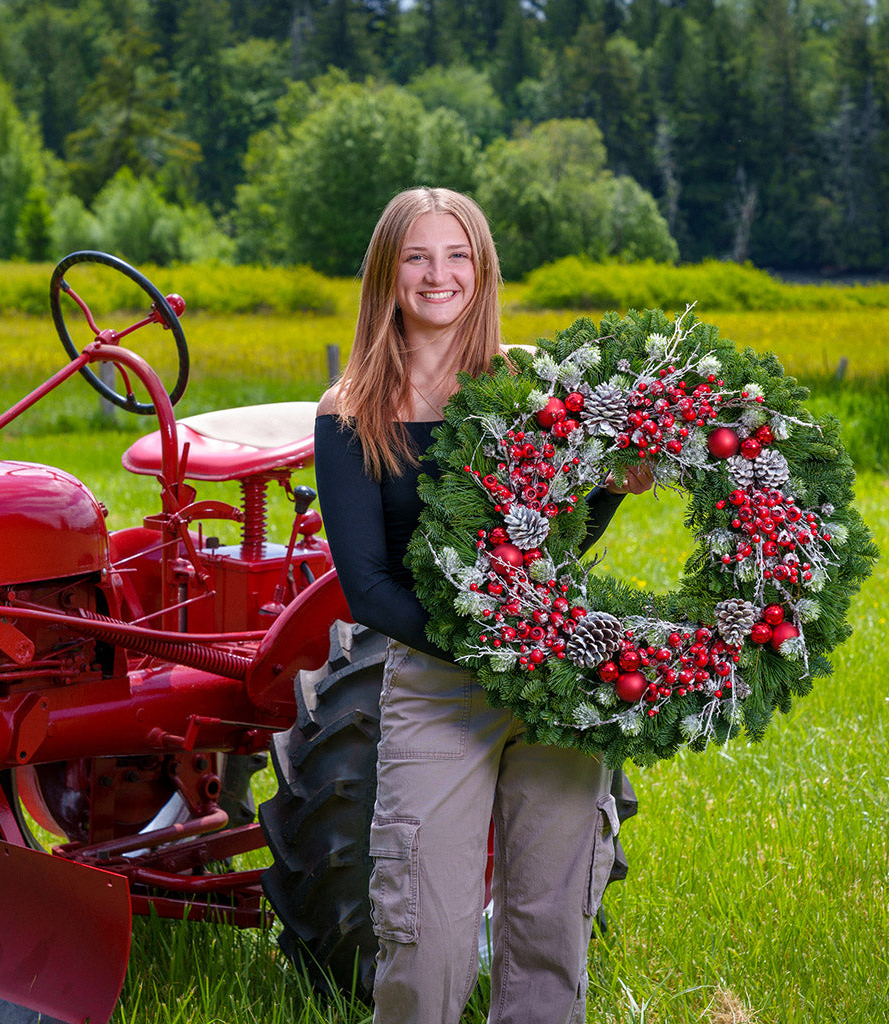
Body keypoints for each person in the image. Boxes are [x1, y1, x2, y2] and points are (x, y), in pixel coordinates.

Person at [313, 187, 650, 1024]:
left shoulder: (529, 384)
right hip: (437, 683)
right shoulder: (352, 410)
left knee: (548, 927)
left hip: (554, 685)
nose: (439, 275)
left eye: (457, 255)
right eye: (418, 257)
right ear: (388, 275)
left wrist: (612, 489)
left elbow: (557, 534)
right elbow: (370, 589)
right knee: (424, 935)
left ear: (483, 268)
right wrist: (504, 652)